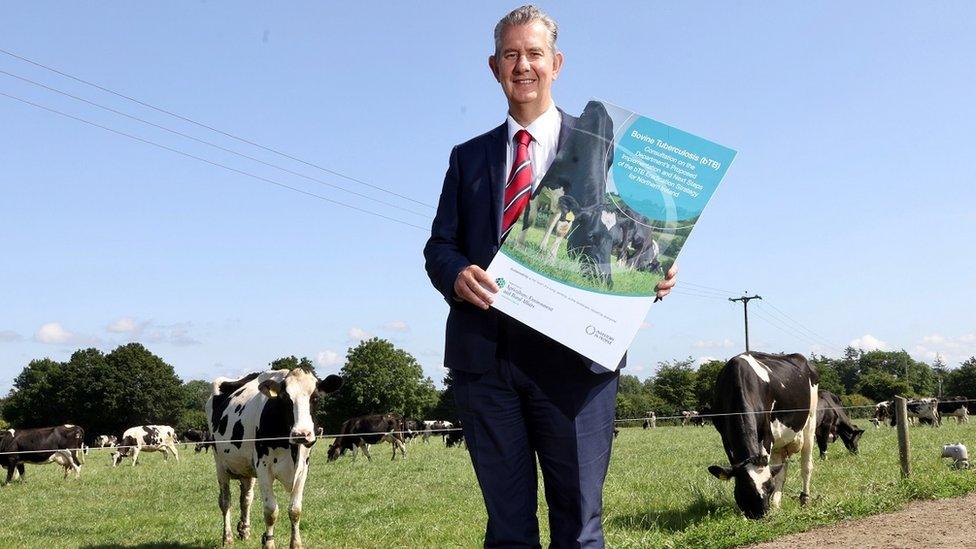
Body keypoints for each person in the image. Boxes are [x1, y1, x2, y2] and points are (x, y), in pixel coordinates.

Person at [423, 6, 677, 548]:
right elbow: (438, 245)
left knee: (579, 525)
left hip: (577, 365)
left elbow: (636, 232)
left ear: (556, 63)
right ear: (494, 67)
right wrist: (456, 273)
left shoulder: (604, 148)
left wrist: (651, 270)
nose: (524, 65)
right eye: (512, 55)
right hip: (487, 365)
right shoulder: (467, 158)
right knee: (509, 530)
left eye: (534, 53)